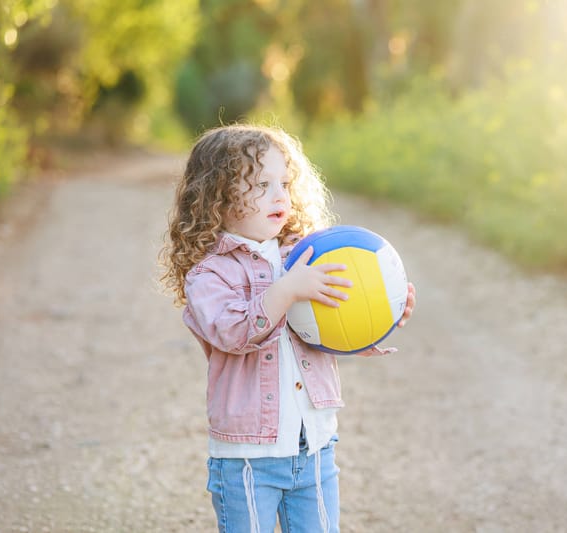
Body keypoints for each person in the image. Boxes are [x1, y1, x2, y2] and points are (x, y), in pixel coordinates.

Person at [160, 124, 416, 533]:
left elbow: (326, 330)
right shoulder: (210, 274)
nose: (279, 195)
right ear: (217, 198)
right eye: (260, 184)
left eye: (283, 182)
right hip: (247, 456)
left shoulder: (302, 255)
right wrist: (286, 290)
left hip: (313, 445)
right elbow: (234, 332)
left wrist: (383, 314)